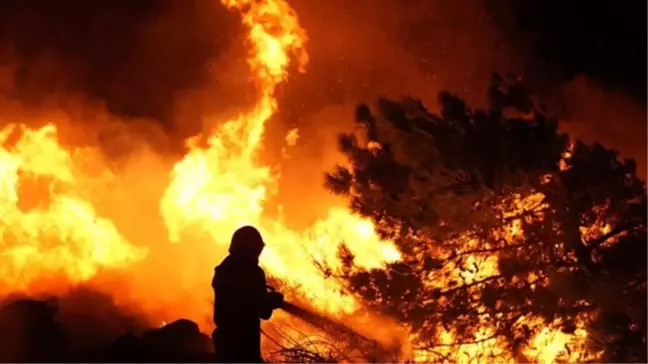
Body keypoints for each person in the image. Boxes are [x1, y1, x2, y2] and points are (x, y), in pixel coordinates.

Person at [211, 225, 284, 364]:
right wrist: (272, 301)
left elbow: (242, 299)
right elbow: (263, 311)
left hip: (225, 344)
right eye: (257, 249)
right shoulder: (253, 272)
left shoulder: (223, 270)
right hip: (244, 346)